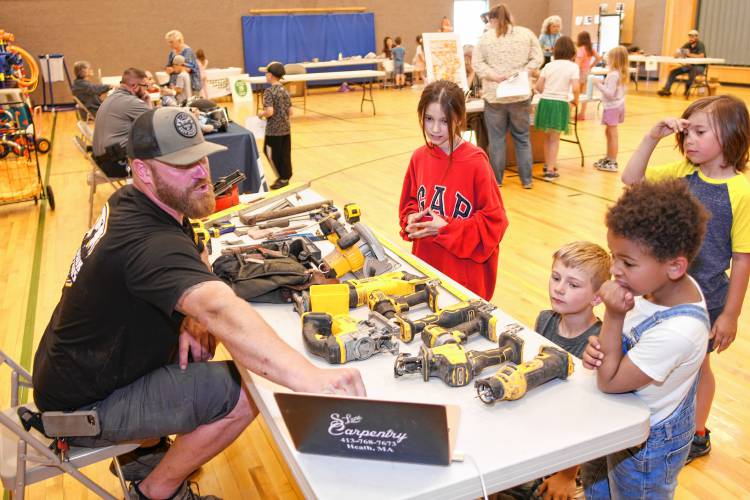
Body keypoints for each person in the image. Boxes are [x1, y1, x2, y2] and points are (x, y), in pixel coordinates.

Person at [32, 106, 365, 500]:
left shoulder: (137, 203)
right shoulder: (147, 242)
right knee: (251, 387)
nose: (202, 173)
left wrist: (192, 323)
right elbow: (220, 306)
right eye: (182, 164)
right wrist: (310, 378)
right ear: (143, 171)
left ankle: (144, 453)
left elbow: (195, 254)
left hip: (72, 371)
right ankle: (157, 490)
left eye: (201, 157)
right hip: (83, 405)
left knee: (200, 348)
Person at [621, 94, 750, 463]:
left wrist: (730, 315)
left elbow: (742, 259)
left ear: (730, 135)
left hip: (706, 298)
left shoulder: (742, 192)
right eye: (686, 132)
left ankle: (697, 433)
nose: (688, 139)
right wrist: (652, 137)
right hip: (662, 294)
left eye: (699, 132)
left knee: (698, 368)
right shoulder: (682, 174)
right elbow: (632, 179)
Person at [582, 179, 710, 498]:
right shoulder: (653, 285)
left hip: (647, 449)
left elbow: (610, 381)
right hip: (618, 419)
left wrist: (612, 315)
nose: (614, 270)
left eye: (628, 262)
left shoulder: (679, 331)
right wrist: (598, 350)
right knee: (597, 490)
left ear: (675, 266)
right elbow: (612, 358)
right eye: (614, 256)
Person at [502, 240, 610, 499]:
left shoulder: (599, 342)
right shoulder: (544, 319)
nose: (559, 289)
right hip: (541, 428)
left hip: (572, 449)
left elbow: (589, 417)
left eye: (573, 284)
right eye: (556, 278)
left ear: (597, 297)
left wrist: (567, 474)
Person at [399, 80, 508, 301]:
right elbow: (409, 203)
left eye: (444, 121)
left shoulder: (475, 162)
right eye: (429, 119)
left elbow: (494, 223)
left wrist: (446, 228)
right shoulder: (419, 157)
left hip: (462, 273)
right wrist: (411, 218)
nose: (435, 129)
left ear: (458, 118)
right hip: (427, 264)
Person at [473, 4, 543, 188]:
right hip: (520, 95)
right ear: (510, 16)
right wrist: (523, 72)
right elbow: (538, 58)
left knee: (496, 141)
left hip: (495, 96)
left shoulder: (485, 39)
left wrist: (493, 76)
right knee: (522, 138)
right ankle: (527, 181)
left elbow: (477, 64)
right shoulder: (526, 34)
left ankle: (497, 181)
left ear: (492, 19)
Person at [92, 67, 152, 178]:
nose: (146, 90)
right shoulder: (130, 101)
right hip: (115, 165)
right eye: (145, 86)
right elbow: (155, 122)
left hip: (102, 160)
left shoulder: (112, 97)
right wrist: (148, 103)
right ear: (134, 86)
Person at [534, 36, 580, 181]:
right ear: (572, 51)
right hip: (559, 103)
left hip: (545, 102)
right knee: (555, 138)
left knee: (548, 136)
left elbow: (538, 87)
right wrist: (575, 101)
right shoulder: (573, 67)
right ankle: (550, 170)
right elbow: (576, 87)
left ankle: (549, 164)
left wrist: (548, 91)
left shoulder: (549, 65)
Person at [592, 46, 629, 172]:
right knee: (609, 132)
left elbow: (610, 94)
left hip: (612, 107)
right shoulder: (620, 73)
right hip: (618, 105)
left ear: (614, 60)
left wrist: (598, 84)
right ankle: (609, 157)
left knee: (612, 133)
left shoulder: (613, 75)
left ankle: (612, 161)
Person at [258, 62, 293, 190]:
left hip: (273, 130)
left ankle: (282, 177)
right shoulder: (284, 90)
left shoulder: (269, 91)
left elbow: (270, 112)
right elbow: (291, 111)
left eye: (267, 73)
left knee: (270, 153)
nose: (266, 75)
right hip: (286, 129)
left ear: (271, 75)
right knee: (285, 154)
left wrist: (261, 114)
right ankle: (285, 176)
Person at [658, 29, 707, 97]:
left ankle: (687, 90)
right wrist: (677, 54)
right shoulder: (687, 44)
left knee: (692, 71)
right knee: (673, 72)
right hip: (688, 66)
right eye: (690, 36)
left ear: (697, 37)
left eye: (693, 36)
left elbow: (701, 56)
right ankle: (666, 89)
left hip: (699, 67)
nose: (691, 38)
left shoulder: (700, 44)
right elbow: (676, 54)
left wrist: (689, 54)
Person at [164, 30, 201, 95]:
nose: (170, 44)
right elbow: (168, 66)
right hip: (176, 86)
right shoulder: (172, 53)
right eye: (169, 42)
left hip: (189, 86)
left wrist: (173, 70)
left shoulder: (187, 51)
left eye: (171, 42)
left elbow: (188, 69)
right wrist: (168, 69)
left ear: (179, 40)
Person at [575, 31, 601, 120]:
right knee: (585, 94)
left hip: (580, 72)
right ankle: (582, 113)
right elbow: (598, 57)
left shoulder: (581, 49)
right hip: (588, 72)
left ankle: (569, 112)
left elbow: (578, 63)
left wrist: (574, 71)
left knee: (575, 92)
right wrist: (591, 65)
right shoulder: (590, 49)